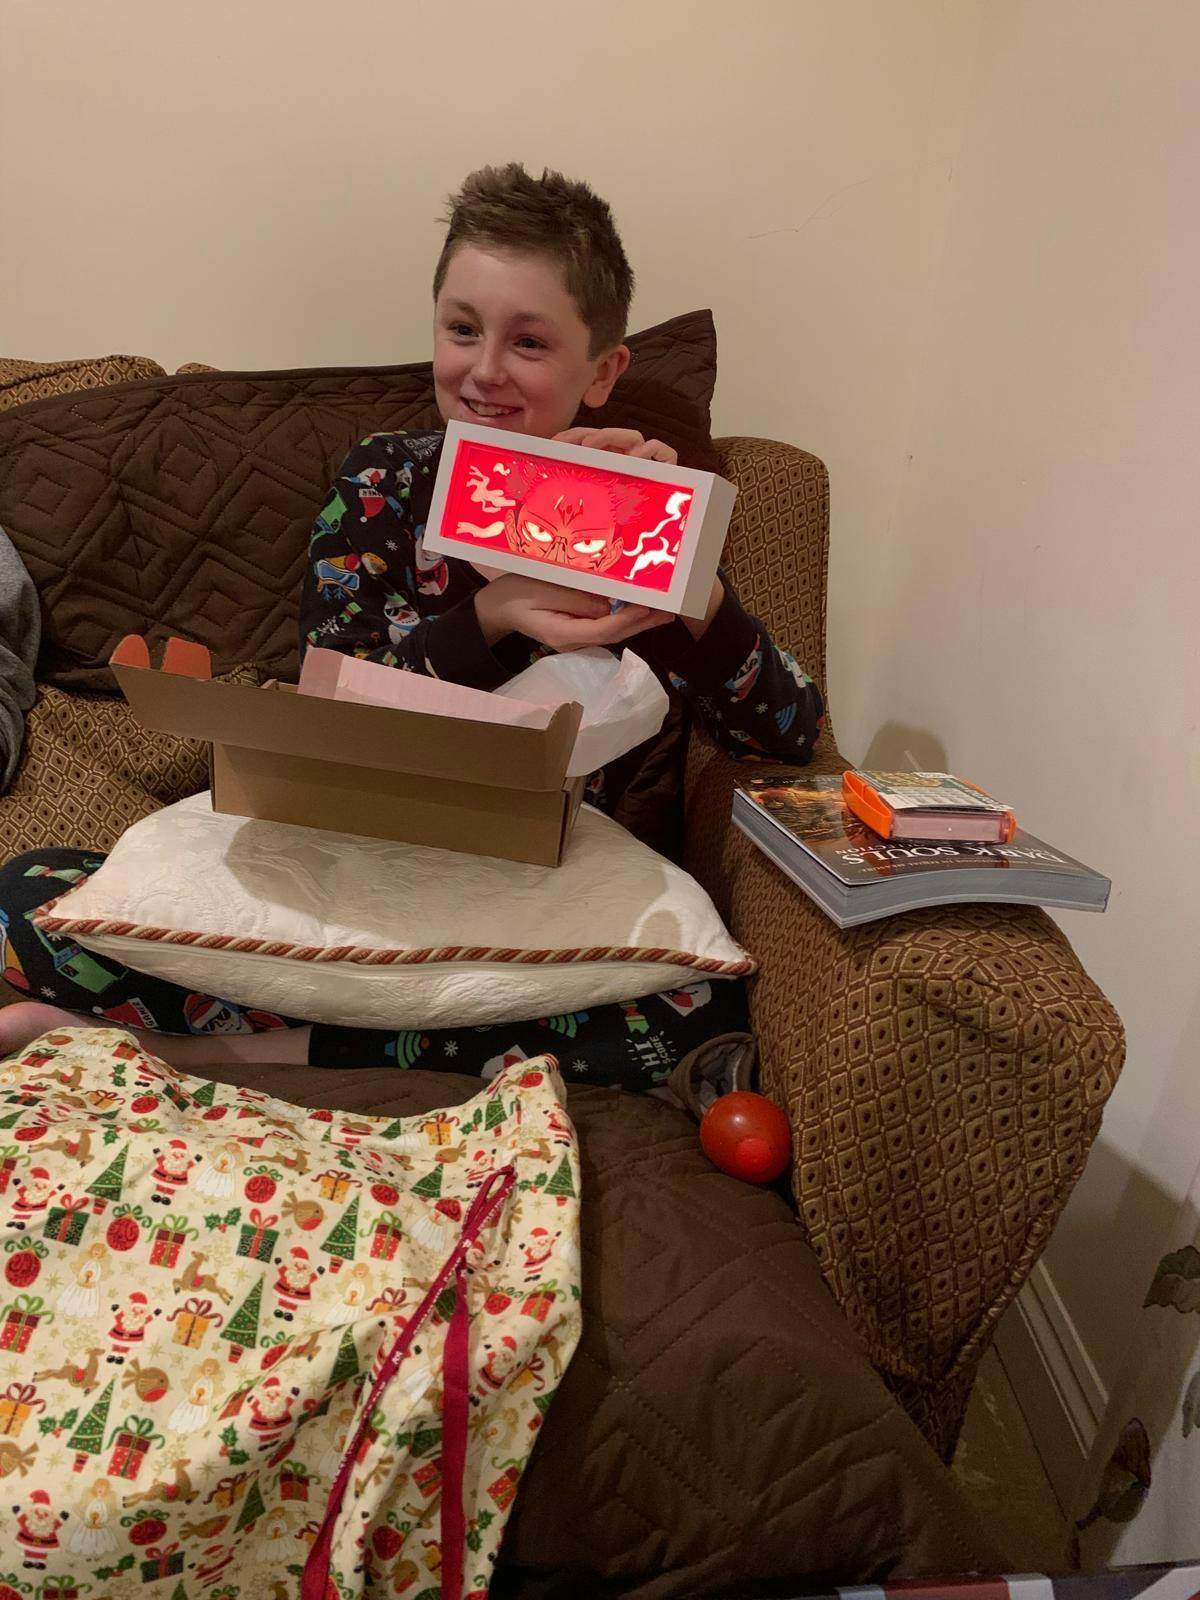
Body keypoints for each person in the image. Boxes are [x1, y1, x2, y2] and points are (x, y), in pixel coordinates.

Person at [0, 165, 823, 1093]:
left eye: (529, 342)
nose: (485, 370)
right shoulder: (385, 480)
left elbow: (788, 735)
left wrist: (691, 584)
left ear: (602, 374)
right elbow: (334, 689)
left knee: (699, 1008)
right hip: (346, 863)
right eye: (462, 329)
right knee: (25, 897)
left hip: (529, 896)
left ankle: (213, 1052)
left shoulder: (635, 522)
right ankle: (371, 1034)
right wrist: (492, 614)